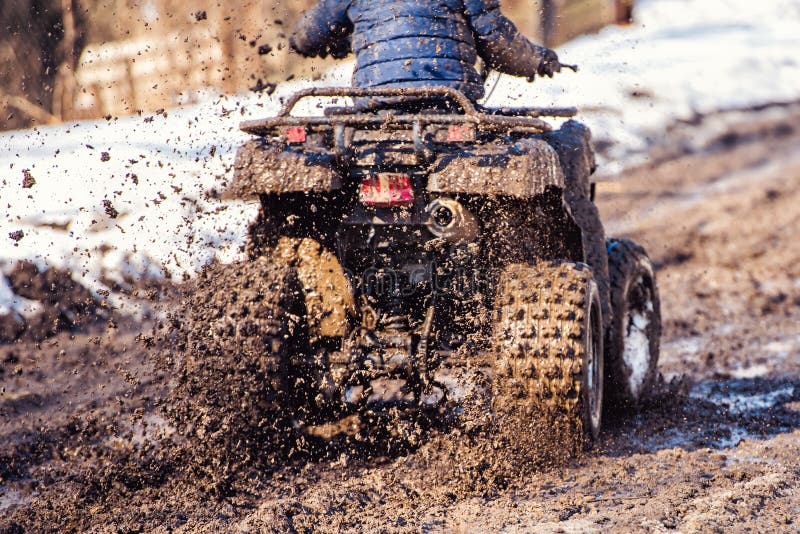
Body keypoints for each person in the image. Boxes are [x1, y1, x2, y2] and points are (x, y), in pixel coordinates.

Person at [289, 0, 563, 103]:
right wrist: (538, 60)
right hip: (447, 102)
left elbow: (306, 37)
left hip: (376, 103)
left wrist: (330, 44)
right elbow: (498, 43)